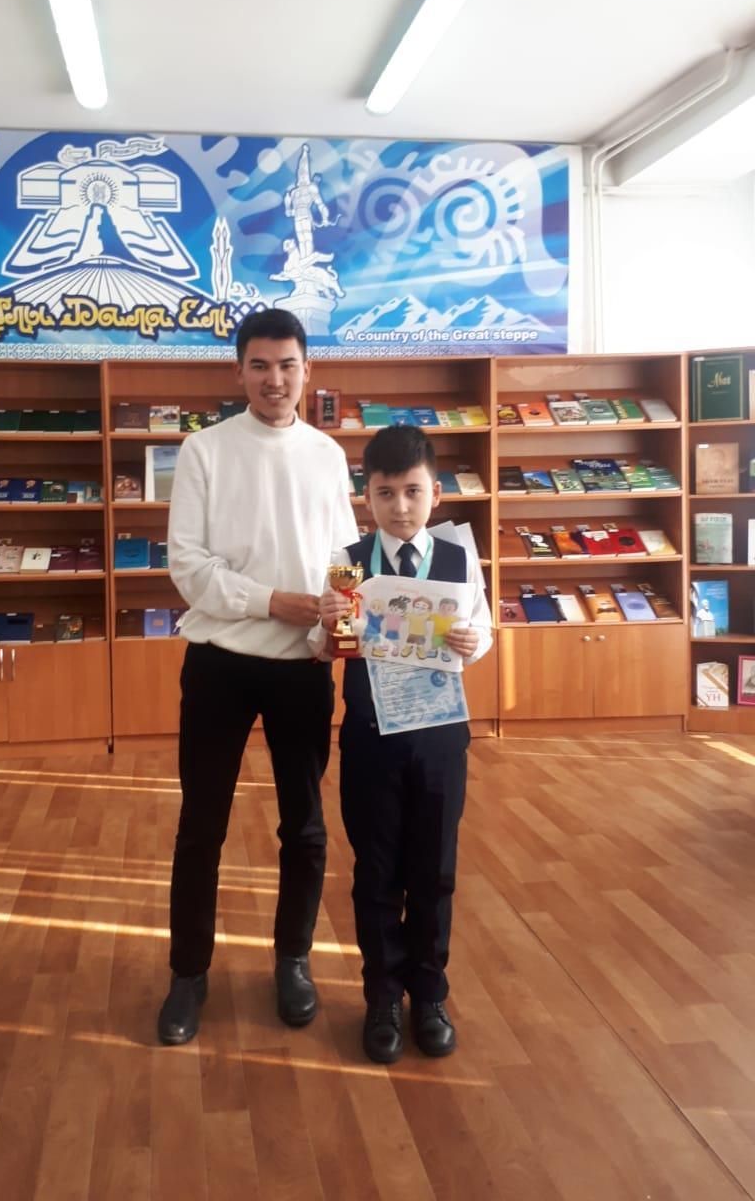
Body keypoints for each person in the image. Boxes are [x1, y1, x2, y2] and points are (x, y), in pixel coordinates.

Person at [158, 307, 359, 1046]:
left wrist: (334, 629)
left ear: (308, 370)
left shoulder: (327, 456)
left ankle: (293, 960)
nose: (275, 380)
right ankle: (188, 974)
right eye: (260, 365)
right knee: (201, 825)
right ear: (238, 370)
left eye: (288, 365)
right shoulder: (204, 450)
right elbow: (189, 568)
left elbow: (343, 563)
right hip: (219, 665)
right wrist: (276, 602)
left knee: (304, 826)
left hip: (304, 665)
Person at [316, 425, 492, 1065]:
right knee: (377, 872)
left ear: (435, 493)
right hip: (371, 740)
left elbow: (481, 630)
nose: (400, 506)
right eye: (386, 493)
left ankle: (431, 995)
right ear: (367, 496)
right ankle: (383, 998)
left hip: (440, 739)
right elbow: (332, 649)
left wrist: (473, 643)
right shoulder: (347, 561)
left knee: (435, 870)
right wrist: (330, 623)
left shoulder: (459, 558)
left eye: (413, 492)